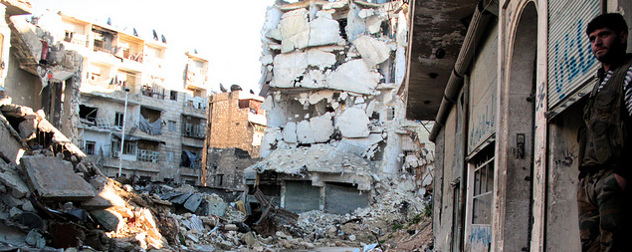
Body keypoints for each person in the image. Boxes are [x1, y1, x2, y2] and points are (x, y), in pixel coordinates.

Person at [577, 13, 632, 252]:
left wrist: (621, 175)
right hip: (589, 182)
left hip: (613, 177)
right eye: (592, 38)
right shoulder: (598, 83)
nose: (596, 42)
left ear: (622, 37)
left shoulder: (629, 73)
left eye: (604, 35)